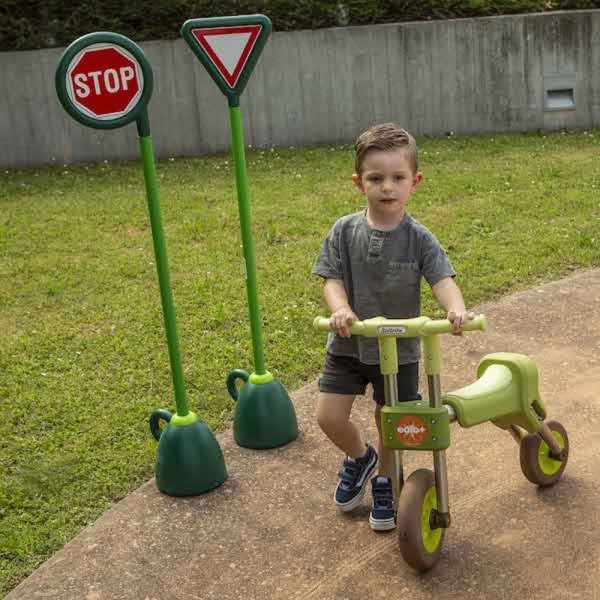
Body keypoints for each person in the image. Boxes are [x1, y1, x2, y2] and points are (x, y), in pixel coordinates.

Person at [312, 123, 473, 531]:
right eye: (376, 178)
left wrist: (456, 310)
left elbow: (442, 280)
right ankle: (360, 458)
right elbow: (330, 279)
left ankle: (386, 478)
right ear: (358, 182)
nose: (387, 187)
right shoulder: (344, 231)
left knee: (391, 422)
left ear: (414, 182)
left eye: (398, 178)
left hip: (399, 351)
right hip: (349, 345)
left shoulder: (419, 238)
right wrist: (341, 309)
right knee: (328, 417)